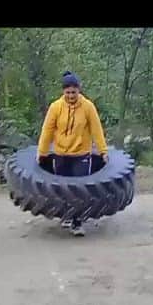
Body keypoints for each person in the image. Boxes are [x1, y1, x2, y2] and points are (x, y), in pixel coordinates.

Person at [37, 71, 108, 235]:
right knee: (63, 188)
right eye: (67, 93)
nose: (70, 96)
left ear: (79, 90)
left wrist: (103, 151)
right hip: (61, 154)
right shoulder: (56, 107)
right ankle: (66, 217)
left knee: (79, 189)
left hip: (81, 154)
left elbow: (96, 130)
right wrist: (42, 151)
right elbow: (47, 130)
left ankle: (77, 222)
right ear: (63, 92)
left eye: (73, 92)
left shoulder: (88, 107)